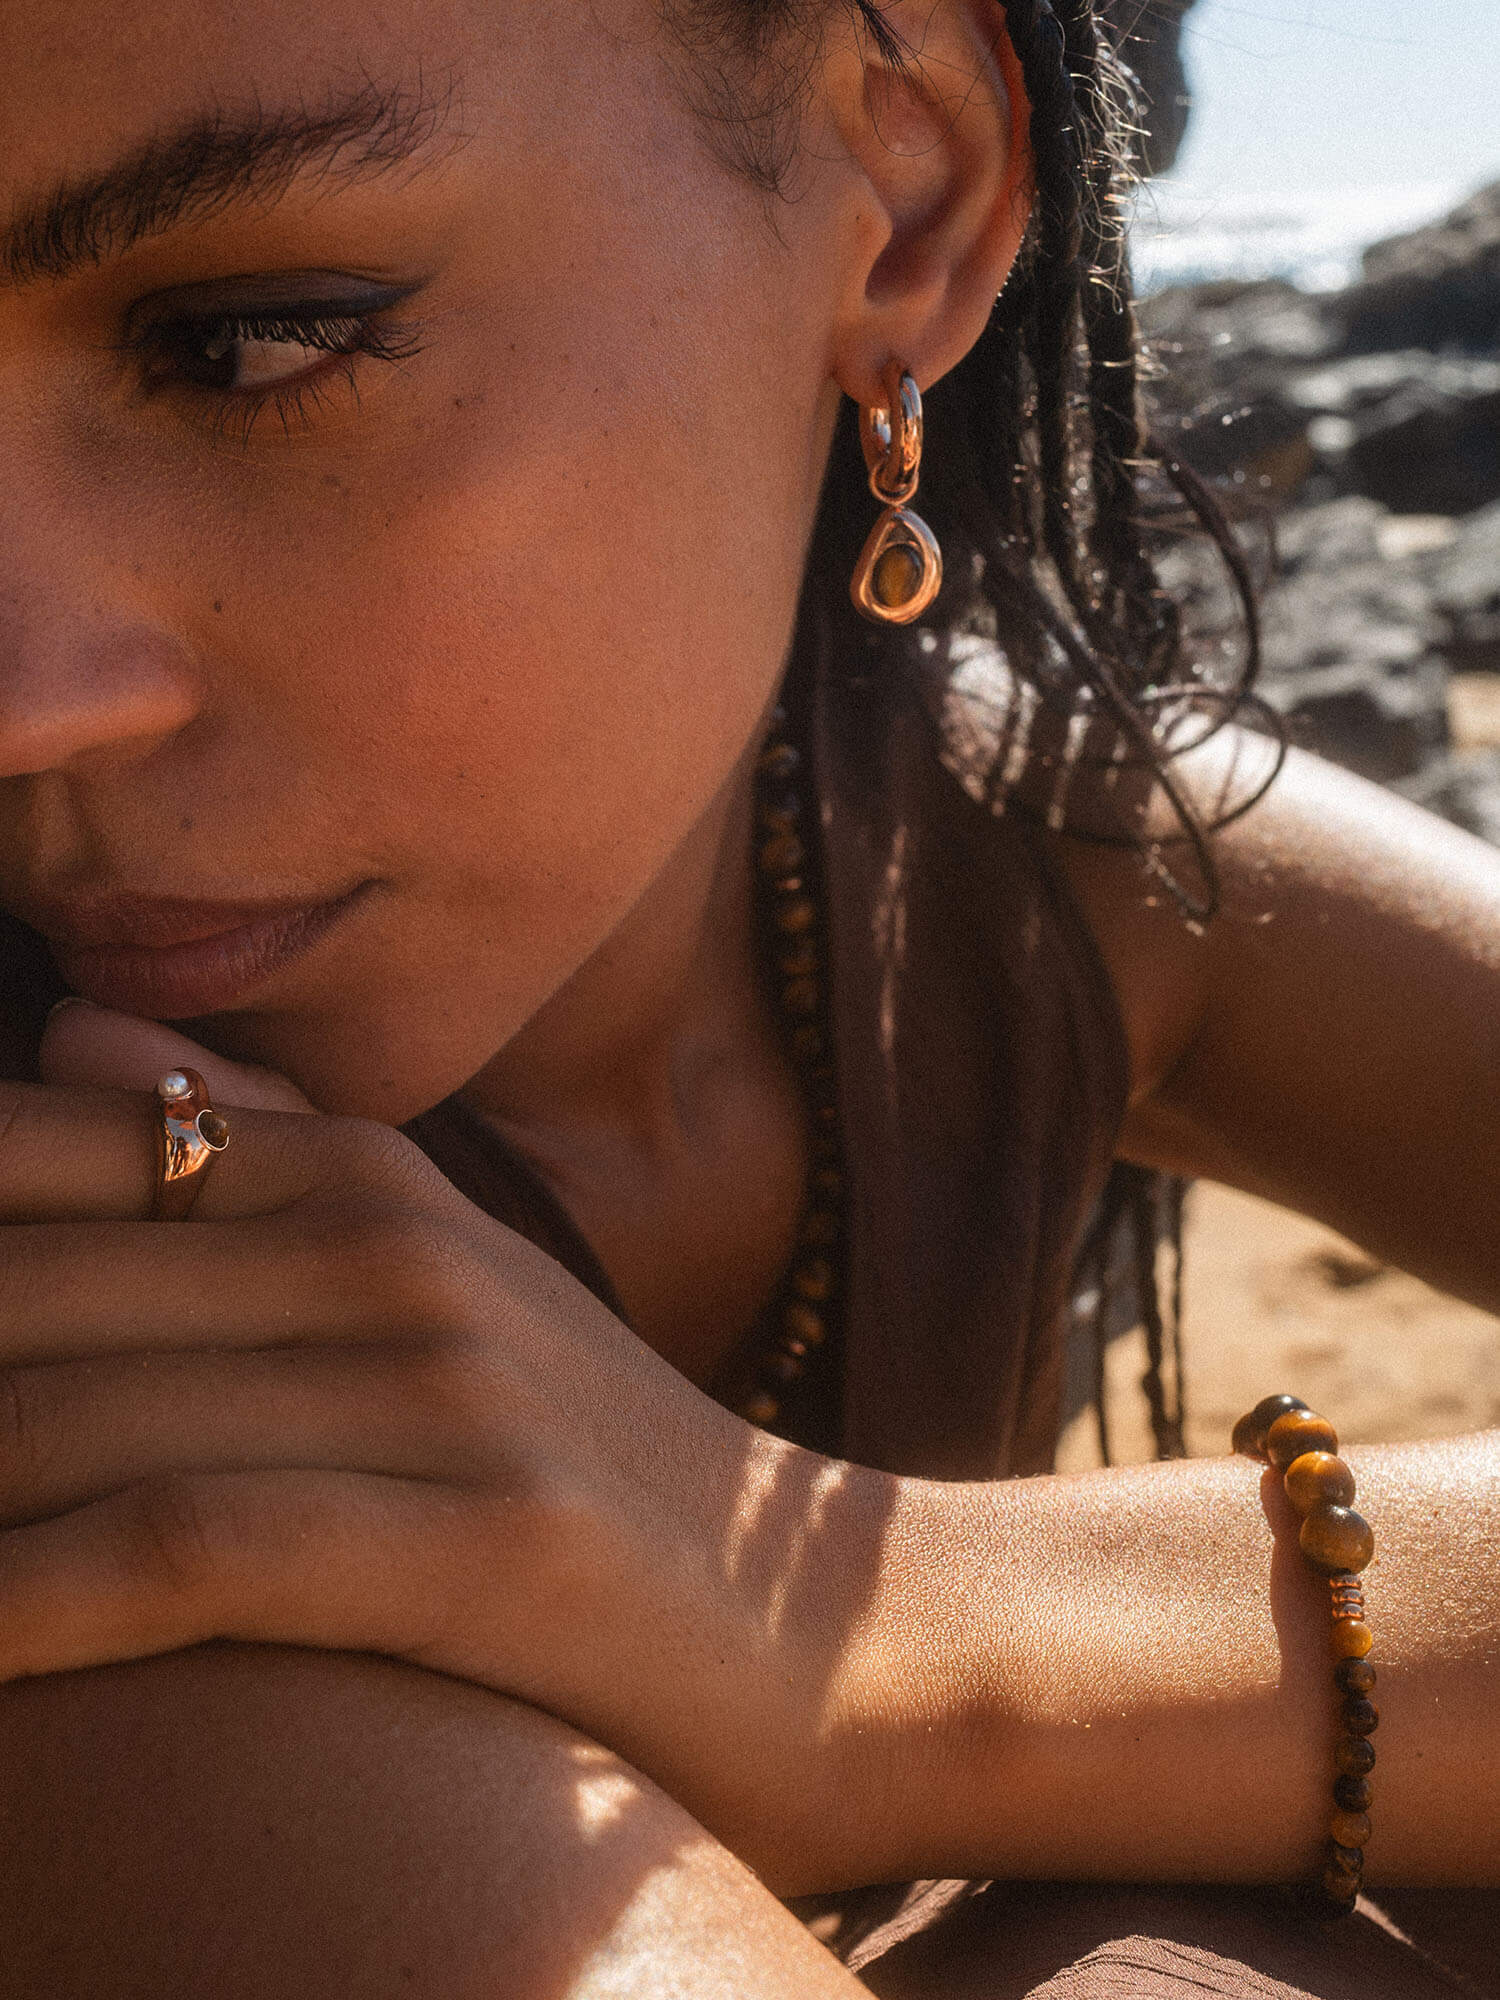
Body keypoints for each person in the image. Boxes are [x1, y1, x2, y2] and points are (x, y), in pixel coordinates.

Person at [0, 1, 1496, 1994]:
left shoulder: (1013, 854)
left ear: (904, 199)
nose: (25, 705)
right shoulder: (71, 1325)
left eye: (250, 341)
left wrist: (893, 1631)